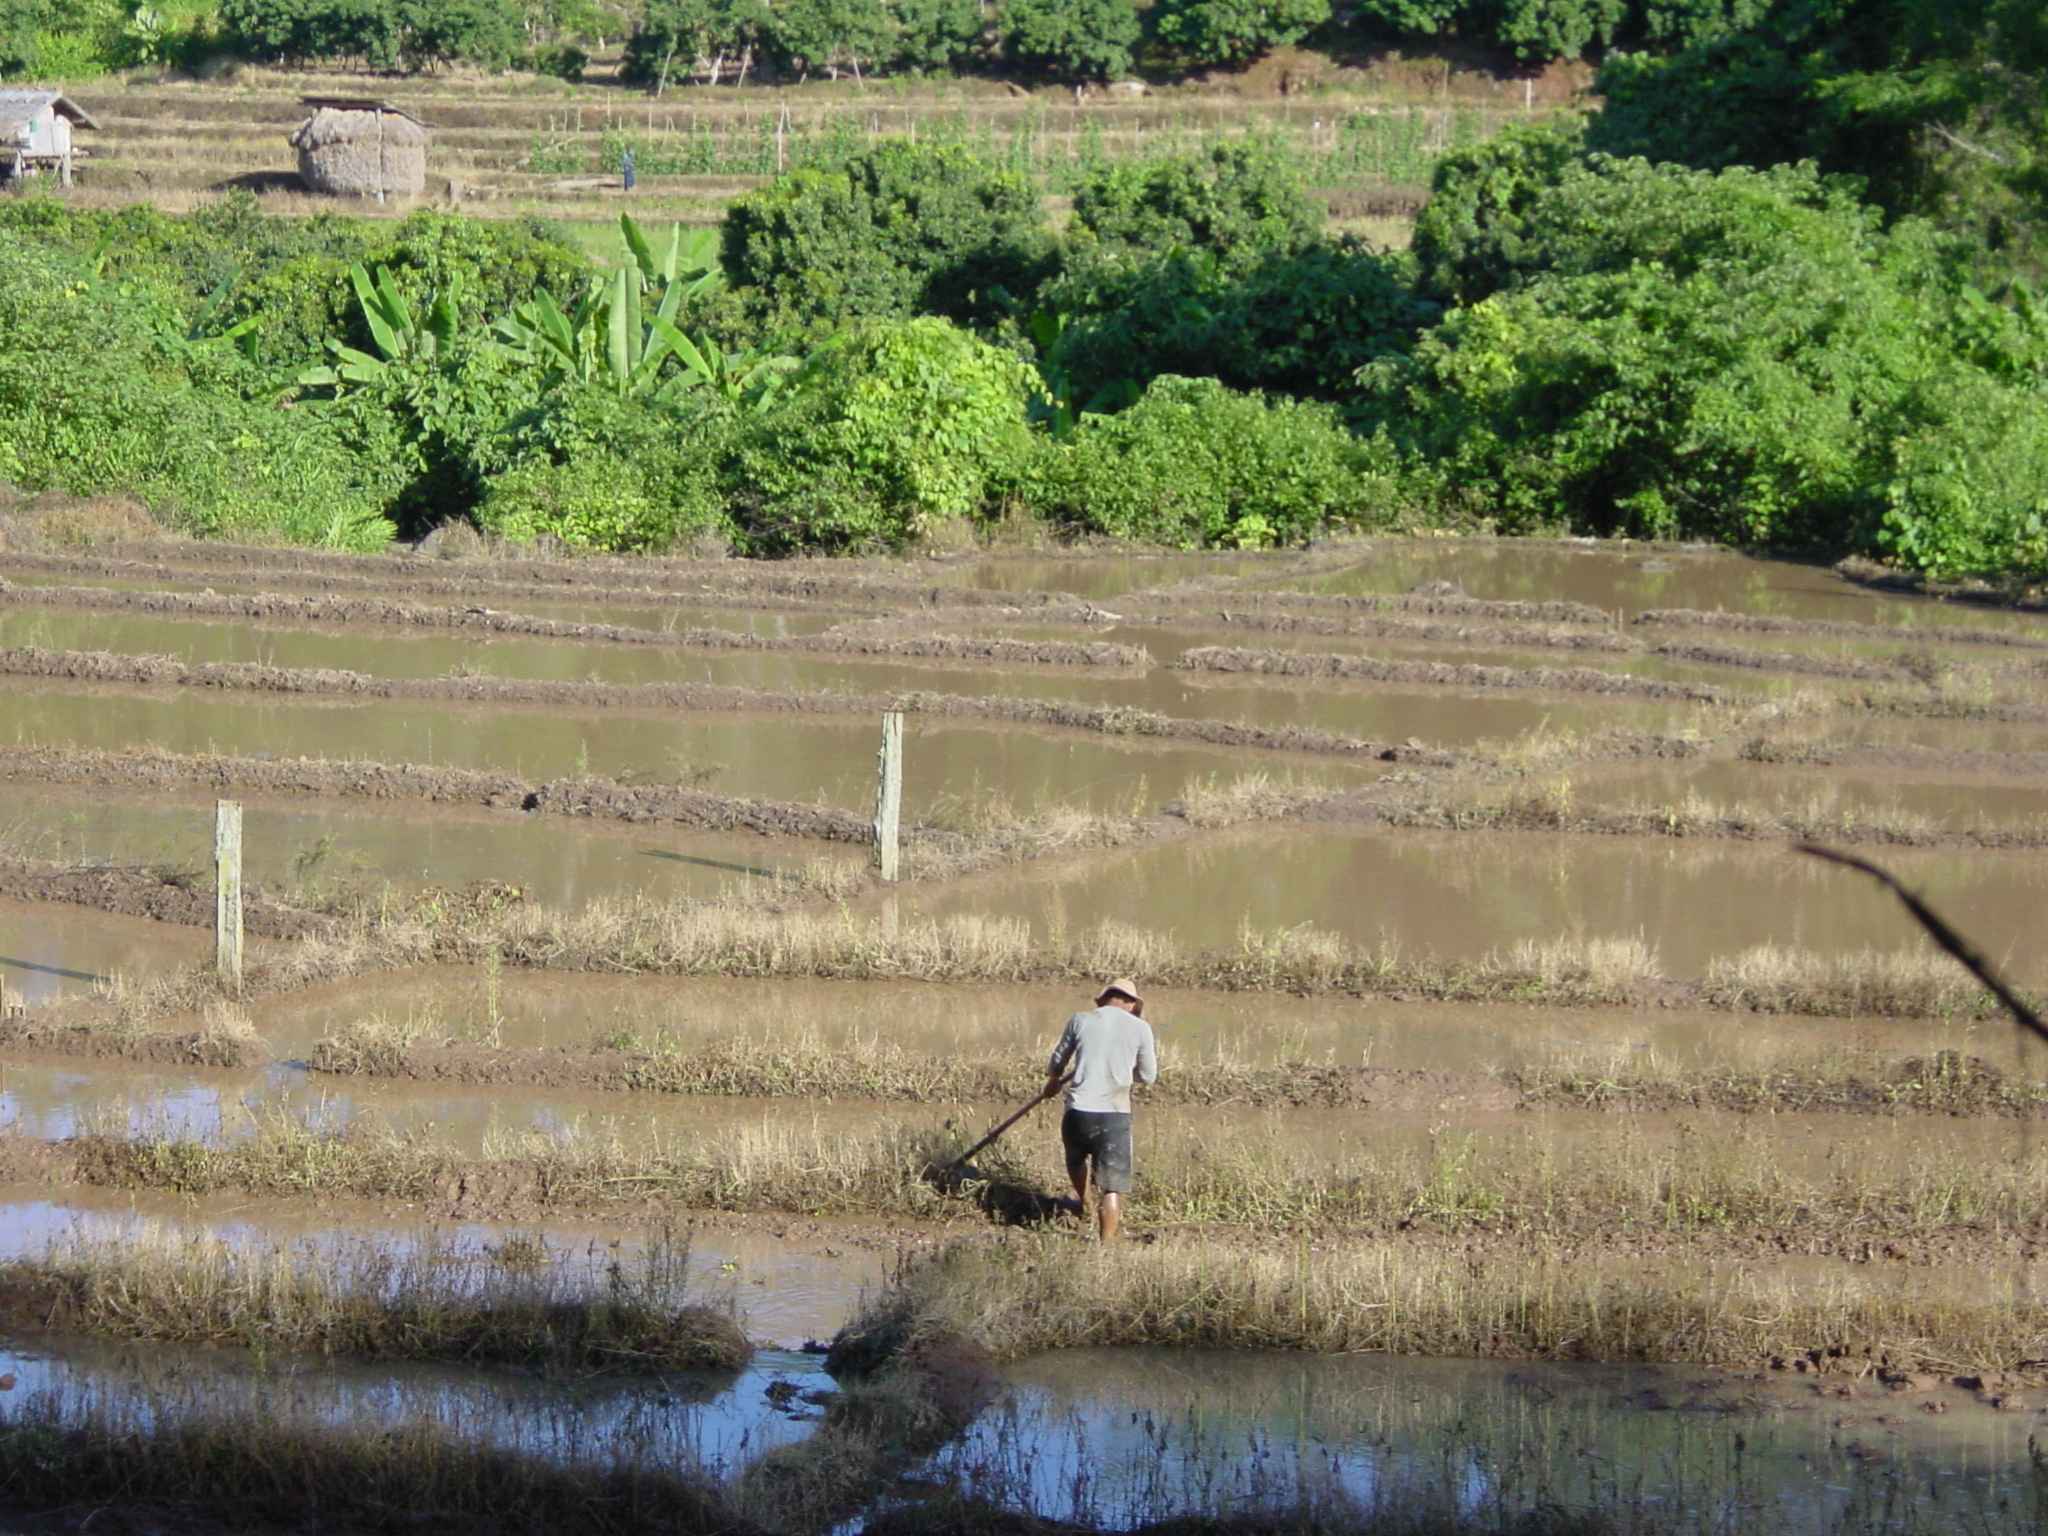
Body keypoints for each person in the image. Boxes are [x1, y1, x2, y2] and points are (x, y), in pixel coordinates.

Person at [1043, 977, 1156, 1241]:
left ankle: (1084, 1203)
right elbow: (1148, 1077)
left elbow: (1057, 1061)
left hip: (1079, 1110)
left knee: (1075, 1158)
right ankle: (1105, 1248)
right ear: (1131, 1004)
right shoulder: (1141, 1028)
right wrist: (1128, 1071)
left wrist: (1052, 1082)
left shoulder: (1081, 1020)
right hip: (1114, 1113)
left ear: (1104, 999)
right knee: (1111, 1188)